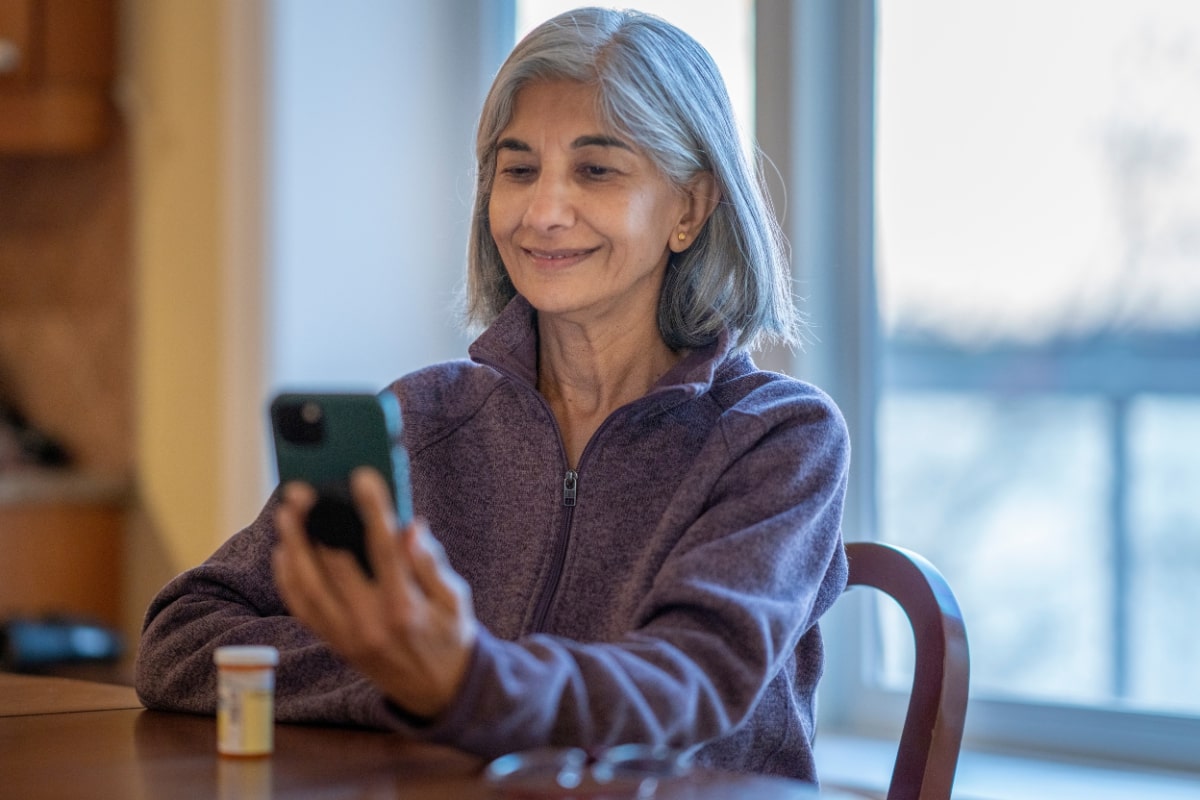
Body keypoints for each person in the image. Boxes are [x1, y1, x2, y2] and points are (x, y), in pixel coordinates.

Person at [134, 6, 849, 784]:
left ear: (690, 207)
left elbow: (685, 686)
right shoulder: (421, 418)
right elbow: (181, 641)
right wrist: (417, 679)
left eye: (596, 169)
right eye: (517, 170)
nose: (542, 212)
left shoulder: (779, 438)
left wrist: (465, 679)